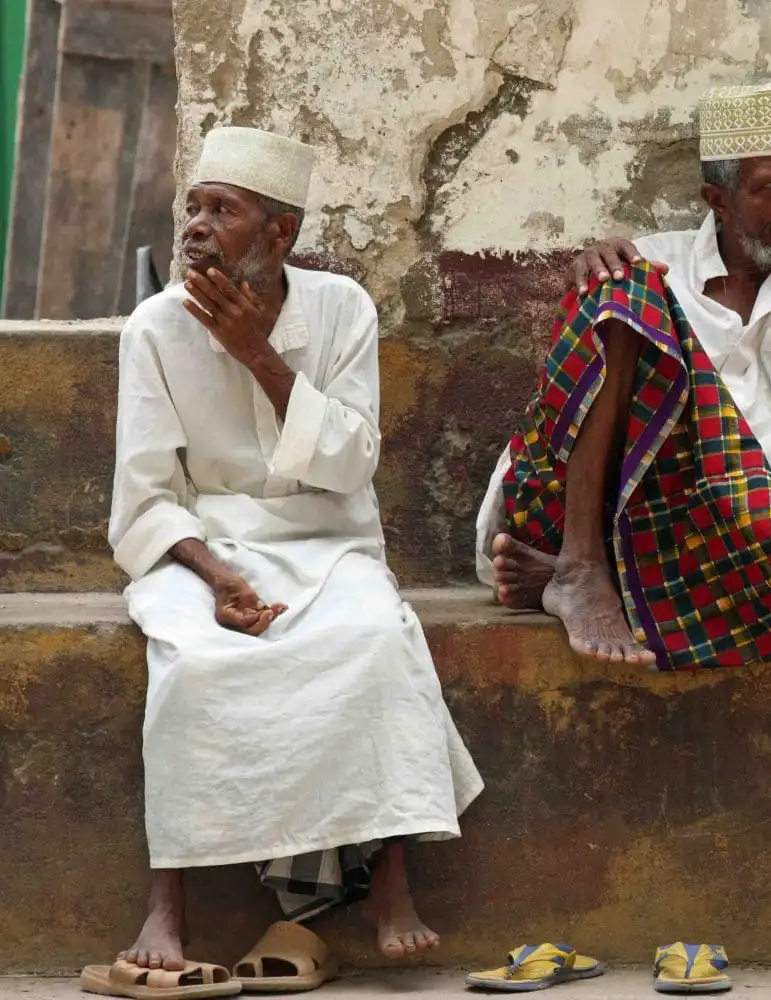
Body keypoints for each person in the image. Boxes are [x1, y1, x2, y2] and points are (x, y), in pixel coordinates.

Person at [85, 126, 483, 998]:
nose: (196, 226)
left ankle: (390, 881)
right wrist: (215, 575)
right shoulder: (154, 328)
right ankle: (167, 905)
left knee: (377, 640)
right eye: (192, 207)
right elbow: (145, 500)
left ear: (280, 233)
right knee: (191, 665)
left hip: (328, 540)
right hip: (203, 549)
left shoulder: (342, 311)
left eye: (222, 211)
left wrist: (257, 355)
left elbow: (351, 462)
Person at [474, 83, 771, 671]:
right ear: (717, 200)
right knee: (619, 283)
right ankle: (582, 565)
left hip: (758, 530)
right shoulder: (655, 263)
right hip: (646, 507)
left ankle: (605, 581)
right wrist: (599, 281)